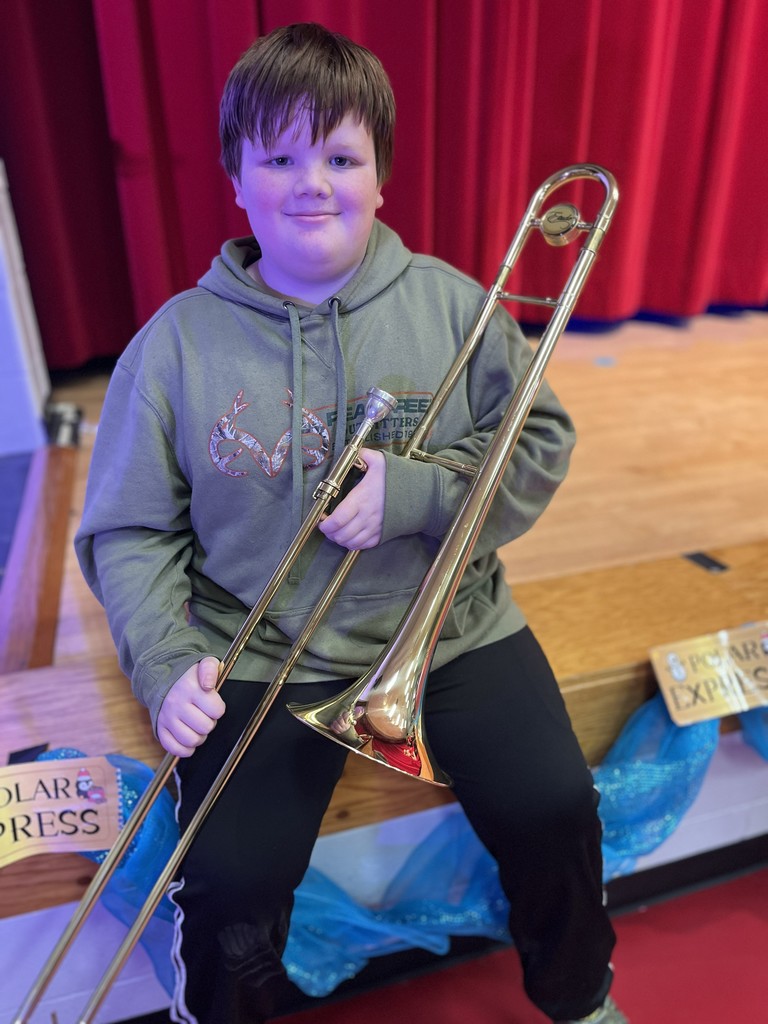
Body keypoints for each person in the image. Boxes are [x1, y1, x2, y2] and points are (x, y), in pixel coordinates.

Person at [75, 22, 626, 1024]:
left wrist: (419, 495)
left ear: (382, 179)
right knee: (230, 883)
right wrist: (162, 660)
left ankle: (578, 995)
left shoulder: (454, 305)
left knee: (557, 807)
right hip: (261, 646)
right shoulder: (173, 346)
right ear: (236, 180)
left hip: (450, 629)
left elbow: (539, 441)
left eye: (340, 158)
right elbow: (130, 531)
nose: (312, 185)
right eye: (279, 159)